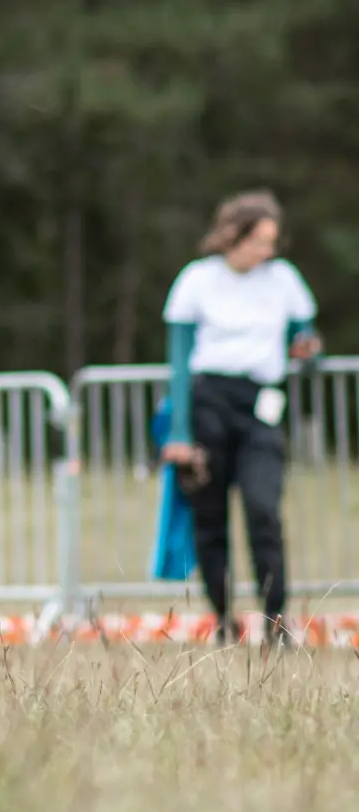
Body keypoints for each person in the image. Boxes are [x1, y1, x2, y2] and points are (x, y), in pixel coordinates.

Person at [159, 190, 323, 645]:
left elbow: (304, 338)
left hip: (261, 407)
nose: (268, 251)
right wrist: (179, 432)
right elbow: (179, 360)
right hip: (209, 402)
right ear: (233, 236)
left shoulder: (283, 280)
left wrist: (309, 349)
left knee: (262, 510)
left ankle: (275, 620)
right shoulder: (197, 280)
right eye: (260, 241)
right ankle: (223, 621)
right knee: (210, 520)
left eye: (272, 242)